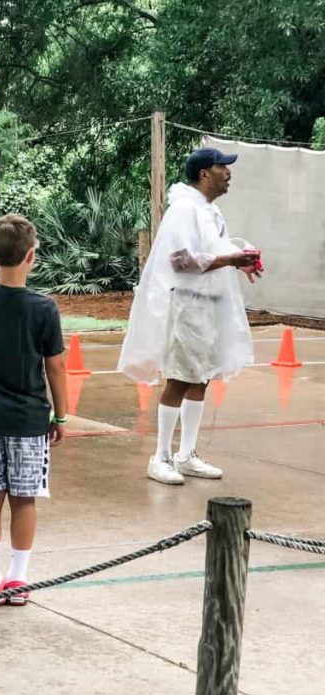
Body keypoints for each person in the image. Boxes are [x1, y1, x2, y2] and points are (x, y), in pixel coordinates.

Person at [119, 147, 262, 485]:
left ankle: (187, 454)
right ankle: (161, 456)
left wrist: (241, 261)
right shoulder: (184, 209)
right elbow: (180, 260)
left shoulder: (210, 212)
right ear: (203, 175)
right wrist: (230, 261)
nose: (228, 173)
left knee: (201, 377)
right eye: (222, 167)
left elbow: (214, 252)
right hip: (186, 306)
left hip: (207, 306)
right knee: (180, 378)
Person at [0, 214, 68, 606]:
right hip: (28, 420)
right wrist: (61, 415)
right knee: (25, 499)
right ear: (31, 257)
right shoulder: (43, 308)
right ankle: (18, 581)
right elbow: (55, 365)